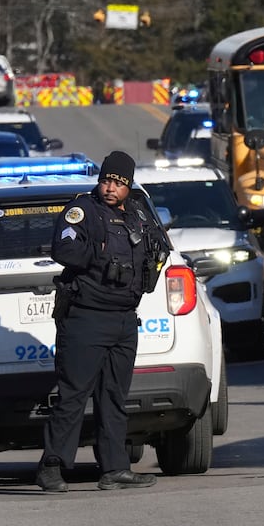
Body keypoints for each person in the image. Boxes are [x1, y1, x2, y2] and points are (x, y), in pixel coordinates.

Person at [36, 151, 171, 492]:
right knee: (73, 395)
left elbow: (157, 252)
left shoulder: (138, 215)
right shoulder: (82, 211)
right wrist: (101, 256)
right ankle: (52, 467)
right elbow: (63, 251)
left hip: (124, 319)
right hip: (86, 318)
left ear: (129, 186)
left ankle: (114, 468)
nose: (111, 188)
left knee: (114, 397)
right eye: (107, 180)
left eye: (119, 183)